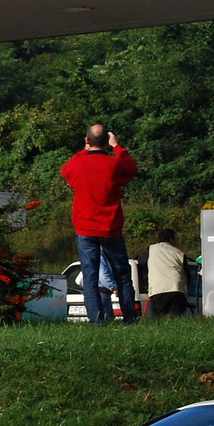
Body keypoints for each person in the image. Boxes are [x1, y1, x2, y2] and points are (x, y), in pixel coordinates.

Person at [61, 122, 138, 323]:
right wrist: (118, 146)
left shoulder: (79, 163)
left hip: (85, 229)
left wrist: (83, 149)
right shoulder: (114, 164)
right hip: (111, 229)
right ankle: (130, 318)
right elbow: (131, 169)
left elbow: (66, 170)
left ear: (88, 141)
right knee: (122, 276)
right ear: (107, 142)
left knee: (90, 277)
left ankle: (97, 320)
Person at [146, 228, 188, 317]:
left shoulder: (151, 249)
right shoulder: (179, 253)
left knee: (159, 321)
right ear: (171, 239)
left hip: (158, 290)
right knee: (176, 320)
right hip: (176, 288)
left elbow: (140, 261)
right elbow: (187, 273)